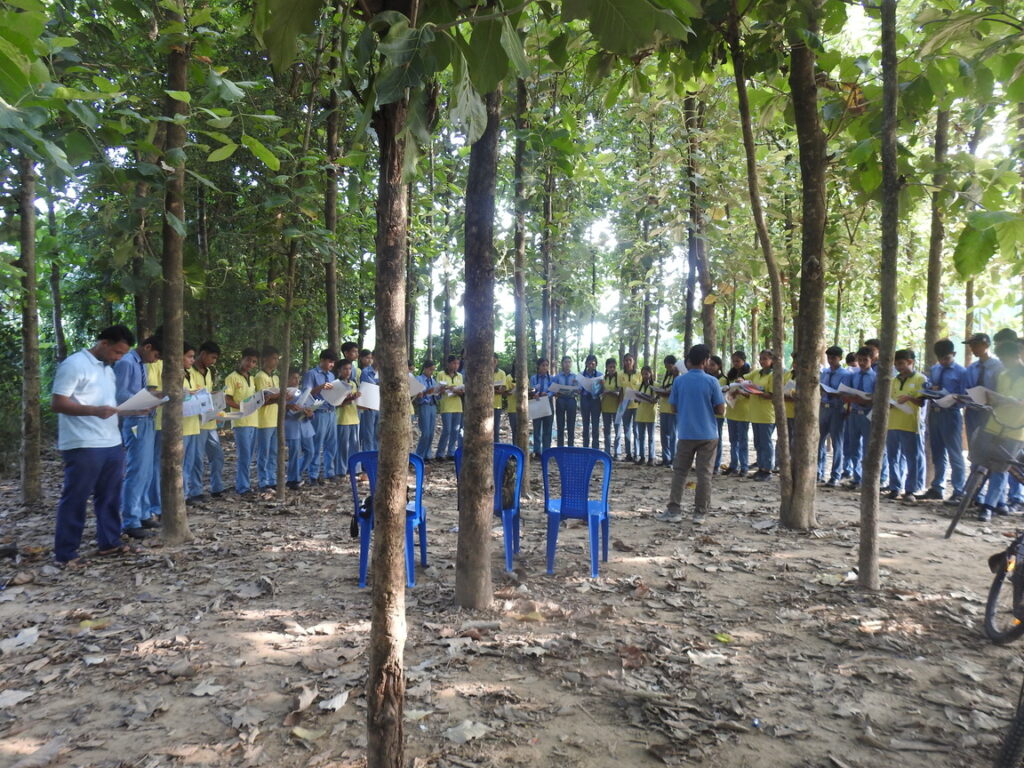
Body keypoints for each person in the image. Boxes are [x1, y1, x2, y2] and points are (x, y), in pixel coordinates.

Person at [51, 325, 136, 565]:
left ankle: (109, 542)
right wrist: (94, 411)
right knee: (76, 497)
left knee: (110, 496)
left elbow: (109, 404)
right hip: (83, 443)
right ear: (103, 343)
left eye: (123, 354)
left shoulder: (108, 370)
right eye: (117, 352)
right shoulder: (74, 364)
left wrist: (134, 408)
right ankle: (66, 553)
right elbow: (57, 403)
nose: (119, 358)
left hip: (111, 441)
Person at [658, 344, 726, 523]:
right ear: (705, 361)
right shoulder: (712, 382)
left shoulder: (679, 381)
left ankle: (674, 511)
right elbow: (721, 409)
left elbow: (673, 407)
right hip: (708, 434)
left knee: (680, 472)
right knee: (704, 474)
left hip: (686, 432)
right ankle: (700, 513)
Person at [113, 334, 161, 539]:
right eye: (156, 354)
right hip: (134, 421)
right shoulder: (126, 363)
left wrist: (154, 396)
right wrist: (146, 399)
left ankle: (142, 513)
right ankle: (130, 519)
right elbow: (120, 395)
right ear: (147, 346)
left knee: (147, 471)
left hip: (147, 418)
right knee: (137, 470)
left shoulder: (141, 363)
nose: (156, 360)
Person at [973, 339, 1024, 521]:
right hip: (995, 424)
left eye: (1006, 359)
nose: (1004, 363)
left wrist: (1018, 402)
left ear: (1016, 356)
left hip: (1016, 429)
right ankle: (990, 500)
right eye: (1001, 359)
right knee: (984, 461)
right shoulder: (1002, 375)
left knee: (1002, 467)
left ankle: (989, 506)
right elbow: (996, 396)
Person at [920, 338, 967, 502]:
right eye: (940, 358)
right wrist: (928, 390)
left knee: (955, 454)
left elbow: (965, 396)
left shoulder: (962, 372)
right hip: (935, 412)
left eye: (946, 358)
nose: (943, 361)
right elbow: (931, 386)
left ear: (953, 354)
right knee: (937, 452)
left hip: (951, 414)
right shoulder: (935, 369)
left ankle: (959, 490)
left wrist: (950, 396)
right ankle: (937, 488)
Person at [885, 349, 926, 501]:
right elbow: (889, 398)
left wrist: (909, 398)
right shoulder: (894, 380)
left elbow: (922, 401)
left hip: (911, 424)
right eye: (896, 364)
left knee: (912, 457)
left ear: (910, 362)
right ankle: (894, 487)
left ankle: (911, 489)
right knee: (893, 457)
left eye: (901, 363)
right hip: (893, 423)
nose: (898, 367)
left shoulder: (920, 379)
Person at [841, 346, 879, 491]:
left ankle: (869, 478)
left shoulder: (875, 378)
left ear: (872, 360)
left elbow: (875, 398)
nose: (862, 363)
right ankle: (857, 477)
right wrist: (847, 397)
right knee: (853, 447)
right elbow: (846, 393)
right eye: (860, 360)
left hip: (868, 415)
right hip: (854, 414)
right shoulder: (853, 376)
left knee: (868, 448)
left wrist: (866, 400)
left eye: (865, 360)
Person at [191, 341, 224, 499]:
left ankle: (217, 487)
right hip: (196, 422)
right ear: (202, 354)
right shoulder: (188, 371)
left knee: (217, 455)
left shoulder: (210, 372)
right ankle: (195, 491)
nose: (213, 361)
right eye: (212, 357)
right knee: (197, 458)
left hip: (210, 420)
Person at [225, 348, 260, 495]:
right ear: (242, 359)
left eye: (253, 362)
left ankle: (246, 484)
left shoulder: (252, 379)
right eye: (248, 360)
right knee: (244, 455)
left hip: (253, 420)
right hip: (240, 421)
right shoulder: (231, 377)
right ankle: (242, 487)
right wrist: (242, 407)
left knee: (249, 456)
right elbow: (227, 399)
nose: (250, 364)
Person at [302, 349, 337, 484]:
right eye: (329, 361)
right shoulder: (312, 374)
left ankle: (330, 472)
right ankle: (313, 475)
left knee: (331, 445)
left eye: (333, 362)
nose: (331, 364)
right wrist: (320, 387)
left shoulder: (332, 376)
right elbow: (306, 393)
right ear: (322, 360)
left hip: (331, 412)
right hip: (318, 413)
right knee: (316, 445)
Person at [743, 350, 777, 481]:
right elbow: (745, 378)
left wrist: (757, 392)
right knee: (758, 443)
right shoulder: (757, 373)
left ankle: (768, 469)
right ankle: (761, 467)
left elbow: (772, 395)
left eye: (765, 359)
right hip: (755, 413)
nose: (762, 361)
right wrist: (742, 381)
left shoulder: (773, 375)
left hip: (766, 414)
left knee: (766, 442)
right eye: (761, 359)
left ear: (772, 360)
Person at [817, 346, 848, 487]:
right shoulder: (825, 372)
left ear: (840, 358)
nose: (831, 361)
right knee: (818, 441)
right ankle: (818, 473)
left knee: (837, 443)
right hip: (824, 407)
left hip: (837, 408)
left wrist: (836, 394)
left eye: (834, 358)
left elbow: (846, 393)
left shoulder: (846, 374)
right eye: (829, 358)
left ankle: (835, 475)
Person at [254, 346, 282, 492]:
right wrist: (279, 396)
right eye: (273, 358)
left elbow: (275, 396)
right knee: (263, 452)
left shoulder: (275, 377)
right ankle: (263, 481)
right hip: (264, 420)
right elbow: (264, 398)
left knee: (273, 452)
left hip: (275, 419)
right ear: (265, 359)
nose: (276, 361)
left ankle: (271, 479)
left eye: (277, 359)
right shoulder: (260, 377)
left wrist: (279, 396)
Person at [284, 369, 315, 490]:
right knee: (294, 453)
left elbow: (312, 412)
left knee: (310, 451)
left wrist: (310, 413)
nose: (296, 380)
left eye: (298, 378)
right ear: (286, 379)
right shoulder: (283, 394)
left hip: (305, 425)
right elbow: (277, 411)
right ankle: (293, 479)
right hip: (291, 426)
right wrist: (287, 406)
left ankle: (298, 472)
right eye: (293, 378)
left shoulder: (303, 392)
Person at [333, 358, 361, 475]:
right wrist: (349, 398)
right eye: (345, 369)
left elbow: (357, 401)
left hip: (354, 417)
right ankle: (341, 470)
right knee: (343, 447)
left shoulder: (353, 383)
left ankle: (355, 469)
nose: (348, 371)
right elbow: (337, 403)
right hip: (342, 419)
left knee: (355, 446)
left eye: (350, 368)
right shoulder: (336, 384)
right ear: (339, 370)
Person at [436, 354, 464, 460]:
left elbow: (462, 391)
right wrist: (446, 388)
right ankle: (440, 453)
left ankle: (451, 452)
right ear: (448, 363)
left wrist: (458, 391)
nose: (456, 365)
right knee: (447, 430)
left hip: (457, 405)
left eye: (458, 363)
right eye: (454, 363)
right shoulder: (441, 374)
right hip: (446, 405)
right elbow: (438, 390)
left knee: (455, 430)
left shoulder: (460, 376)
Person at [414, 359, 440, 460]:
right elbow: (417, 395)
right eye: (430, 369)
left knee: (431, 432)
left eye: (433, 370)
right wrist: (426, 392)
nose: (431, 372)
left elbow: (436, 396)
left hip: (433, 406)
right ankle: (419, 455)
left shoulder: (433, 381)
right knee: (425, 432)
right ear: (425, 368)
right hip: (424, 406)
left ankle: (427, 454)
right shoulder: (419, 379)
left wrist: (439, 392)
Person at [529, 358, 554, 459]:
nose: (545, 367)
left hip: (548, 403)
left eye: (546, 365)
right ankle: (537, 451)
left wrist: (546, 394)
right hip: (536, 404)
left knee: (547, 429)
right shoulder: (534, 378)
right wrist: (535, 394)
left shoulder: (551, 378)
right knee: (537, 428)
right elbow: (531, 389)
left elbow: (553, 390)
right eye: (543, 365)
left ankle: (546, 451)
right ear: (538, 366)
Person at [620, 354, 642, 462]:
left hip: (637, 405)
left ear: (633, 362)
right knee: (626, 429)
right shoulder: (620, 373)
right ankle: (628, 453)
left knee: (636, 430)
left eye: (630, 360)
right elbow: (620, 390)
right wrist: (620, 404)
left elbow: (642, 388)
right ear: (623, 362)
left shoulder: (639, 374)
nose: (628, 362)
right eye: (626, 360)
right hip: (625, 405)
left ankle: (636, 453)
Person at [553, 355, 579, 447]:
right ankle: (560, 446)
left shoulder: (575, 377)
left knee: (571, 424)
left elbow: (579, 390)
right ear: (562, 364)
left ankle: (570, 446)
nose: (567, 364)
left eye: (569, 362)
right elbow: (553, 390)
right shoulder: (557, 377)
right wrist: (557, 392)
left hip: (571, 400)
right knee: (560, 424)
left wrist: (576, 388)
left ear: (571, 364)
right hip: (560, 400)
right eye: (565, 362)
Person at [658, 355, 679, 467]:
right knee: (664, 435)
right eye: (666, 367)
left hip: (673, 409)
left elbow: (676, 390)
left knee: (673, 435)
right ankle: (665, 458)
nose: (668, 369)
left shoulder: (678, 377)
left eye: (670, 366)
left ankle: (673, 459)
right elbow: (663, 387)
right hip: (663, 408)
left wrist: (666, 392)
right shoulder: (666, 376)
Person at [707, 355, 726, 473]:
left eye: (713, 365)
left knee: (717, 439)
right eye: (708, 364)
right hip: (707, 412)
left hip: (718, 413)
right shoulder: (706, 378)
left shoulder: (723, 379)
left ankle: (716, 464)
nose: (710, 367)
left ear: (719, 366)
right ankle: (709, 463)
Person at [358, 349, 381, 452]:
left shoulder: (383, 372)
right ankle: (367, 460)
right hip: (369, 406)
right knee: (368, 434)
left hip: (380, 406)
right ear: (374, 357)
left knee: (377, 434)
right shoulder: (366, 371)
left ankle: (375, 457)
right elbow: (371, 386)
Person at [635, 365, 657, 465]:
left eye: (646, 374)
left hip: (651, 414)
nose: (645, 376)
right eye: (643, 374)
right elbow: (636, 398)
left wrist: (648, 398)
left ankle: (651, 457)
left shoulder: (655, 385)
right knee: (641, 436)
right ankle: (642, 456)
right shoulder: (639, 386)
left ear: (650, 374)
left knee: (651, 437)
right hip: (640, 414)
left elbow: (655, 400)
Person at [579, 354, 602, 450]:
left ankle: (595, 447)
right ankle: (585, 446)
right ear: (586, 364)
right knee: (585, 424)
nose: (591, 365)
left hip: (595, 400)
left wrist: (601, 386)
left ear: (596, 364)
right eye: (589, 363)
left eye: (593, 364)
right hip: (585, 400)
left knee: (595, 424)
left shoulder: (600, 375)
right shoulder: (581, 375)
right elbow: (579, 389)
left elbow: (602, 390)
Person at [600, 358, 621, 457]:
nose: (612, 369)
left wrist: (609, 392)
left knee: (617, 431)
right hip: (605, 407)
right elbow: (600, 391)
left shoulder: (619, 378)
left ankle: (617, 452)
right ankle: (607, 452)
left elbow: (619, 393)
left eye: (614, 367)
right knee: (607, 431)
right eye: (610, 367)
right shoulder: (604, 378)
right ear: (607, 368)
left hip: (616, 408)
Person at [492, 355, 512, 443]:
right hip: (484, 405)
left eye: (495, 361)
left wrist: (498, 390)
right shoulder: (484, 371)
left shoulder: (502, 373)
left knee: (496, 428)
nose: (493, 363)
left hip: (497, 405)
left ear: (497, 361)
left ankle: (496, 446)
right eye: (491, 360)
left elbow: (503, 388)